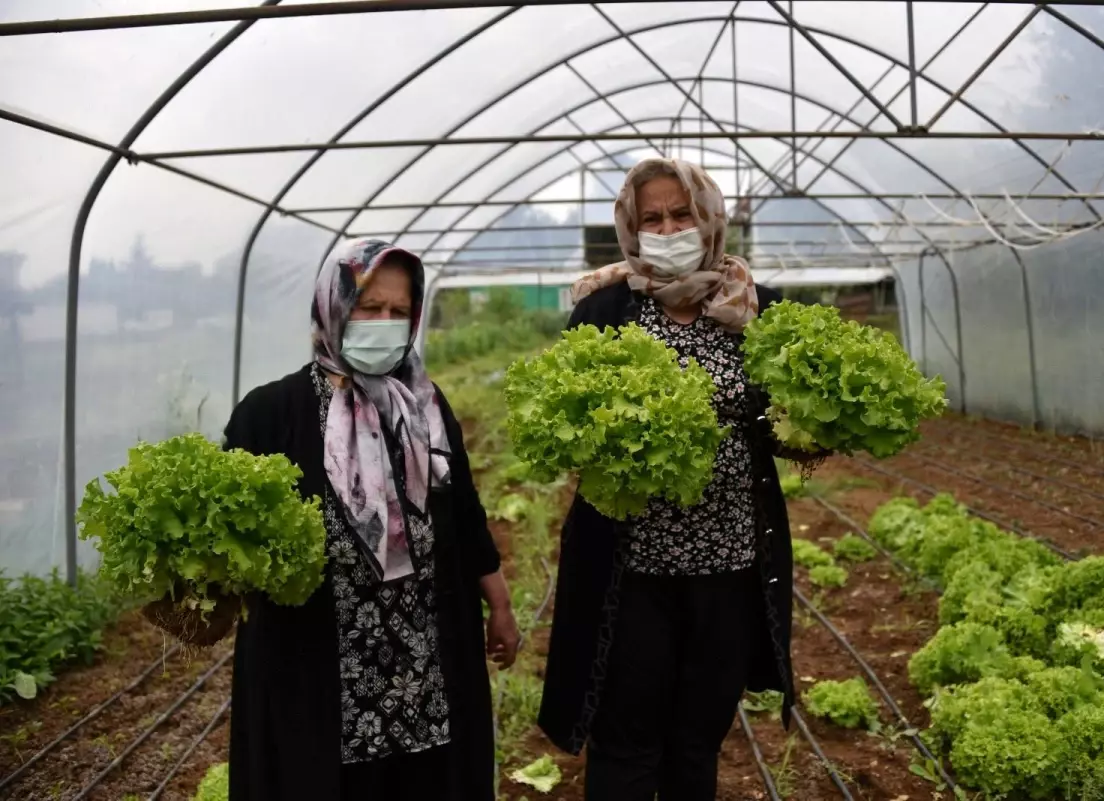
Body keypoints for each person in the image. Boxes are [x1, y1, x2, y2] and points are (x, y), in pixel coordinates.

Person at [538, 158, 799, 801]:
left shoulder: (759, 311)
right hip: (633, 575)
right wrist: (616, 441)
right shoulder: (604, 309)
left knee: (698, 740)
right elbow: (571, 422)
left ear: (709, 218)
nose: (668, 228)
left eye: (682, 214)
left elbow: (782, 422)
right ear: (630, 228)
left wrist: (810, 427)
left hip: (730, 566)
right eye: (651, 218)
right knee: (626, 741)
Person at [223, 238, 518, 801]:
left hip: (424, 663)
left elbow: (464, 515)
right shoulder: (269, 415)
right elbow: (232, 543)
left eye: (397, 312)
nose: (384, 322)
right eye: (368, 307)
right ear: (334, 307)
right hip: (317, 670)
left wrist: (500, 605)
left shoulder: (426, 407)